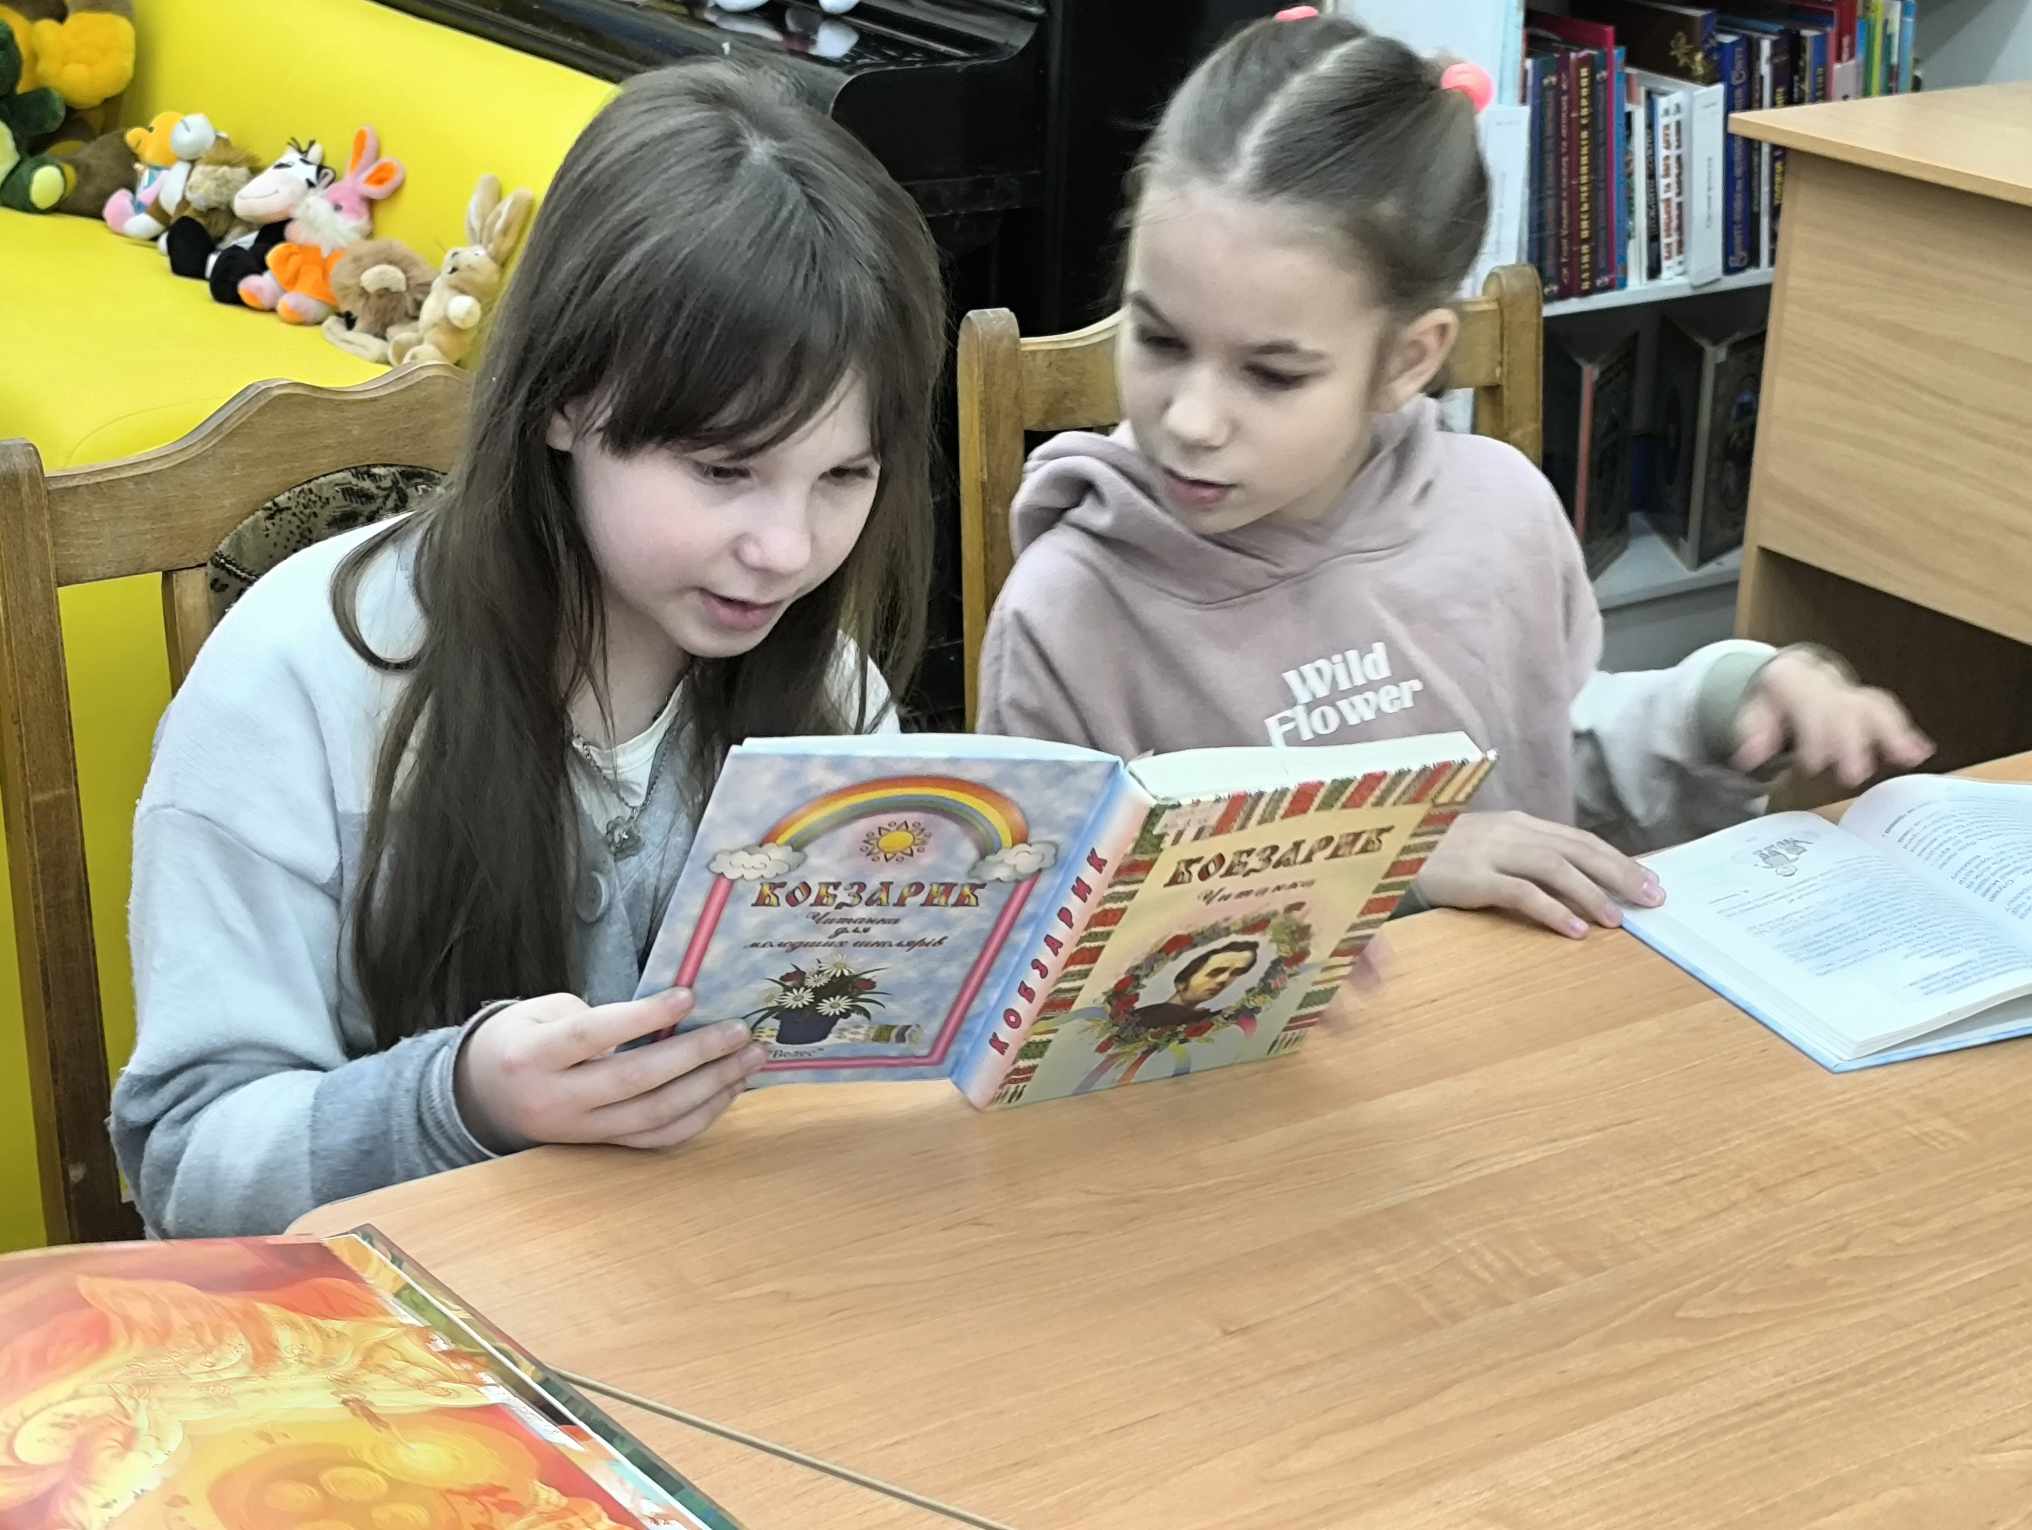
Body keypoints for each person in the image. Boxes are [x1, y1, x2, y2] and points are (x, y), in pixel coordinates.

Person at [112, 60, 946, 1239]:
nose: (787, 549)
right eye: (724, 470)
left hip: (719, 1297)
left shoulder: (828, 698)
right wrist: (459, 1101)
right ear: (564, 399)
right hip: (391, 1335)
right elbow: (189, 1170)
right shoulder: (296, 685)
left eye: (844, 476)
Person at [976, 10, 1931, 942]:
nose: (1190, 419)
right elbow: (1039, 931)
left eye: (1272, 374)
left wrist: (1729, 707)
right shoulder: (1068, 612)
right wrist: (1389, 863)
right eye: (1158, 340)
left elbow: (1554, 757)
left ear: (1409, 359)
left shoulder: (1498, 508)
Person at [1130, 941, 1262, 1032]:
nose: (1223, 980)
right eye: (1215, 972)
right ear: (1181, 982)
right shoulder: (1154, 1017)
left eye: (1235, 973)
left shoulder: (1199, 1017)